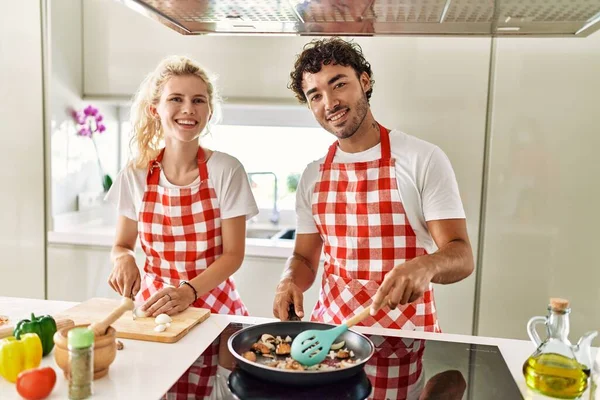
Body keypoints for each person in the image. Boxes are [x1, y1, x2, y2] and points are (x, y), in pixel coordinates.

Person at [272, 37, 475, 398]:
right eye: (315, 95)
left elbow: (461, 254)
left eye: (339, 84)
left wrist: (425, 266)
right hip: (331, 343)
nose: (329, 103)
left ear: (364, 81)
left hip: (406, 341)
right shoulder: (313, 175)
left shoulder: (421, 159)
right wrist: (290, 280)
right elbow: (304, 258)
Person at [105, 55, 258, 398]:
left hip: (215, 307)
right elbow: (122, 244)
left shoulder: (226, 170)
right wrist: (123, 259)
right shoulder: (136, 173)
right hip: (154, 308)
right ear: (154, 109)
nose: (188, 109)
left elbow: (233, 255)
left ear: (208, 111)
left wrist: (189, 291)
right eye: (176, 98)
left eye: (198, 100)